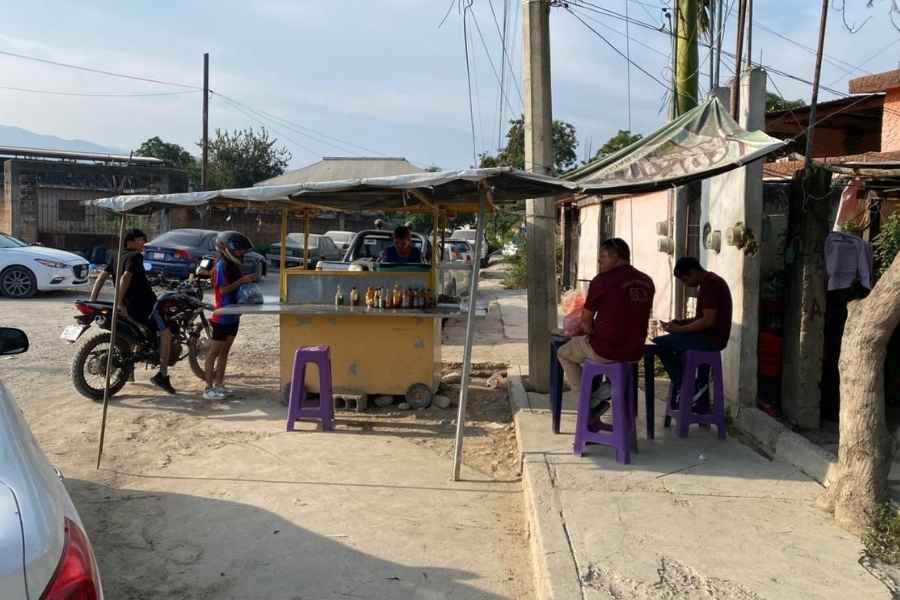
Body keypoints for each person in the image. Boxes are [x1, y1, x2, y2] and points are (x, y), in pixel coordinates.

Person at [557, 238, 654, 431]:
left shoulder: (603, 280)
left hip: (607, 349)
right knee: (598, 360)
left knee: (564, 353)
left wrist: (590, 332)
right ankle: (601, 395)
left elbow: (586, 322)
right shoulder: (647, 281)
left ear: (616, 256)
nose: (599, 261)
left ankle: (585, 405)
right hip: (635, 351)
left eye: (603, 256)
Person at [654, 257, 733, 413]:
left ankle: (687, 387)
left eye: (685, 280)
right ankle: (696, 393)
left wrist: (679, 330)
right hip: (705, 337)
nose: (686, 284)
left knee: (660, 343)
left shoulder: (712, 284)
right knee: (671, 346)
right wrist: (680, 323)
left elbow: (708, 321)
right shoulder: (707, 283)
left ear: (694, 272)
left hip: (711, 339)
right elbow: (701, 318)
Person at [101, 229, 176, 394]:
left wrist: (94, 299)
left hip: (129, 306)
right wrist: (118, 303)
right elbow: (125, 278)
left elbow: (102, 277)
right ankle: (162, 375)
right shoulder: (135, 256)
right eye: (141, 240)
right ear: (130, 241)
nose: (144, 243)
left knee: (137, 335)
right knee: (166, 333)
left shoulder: (115, 255)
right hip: (144, 306)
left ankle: (129, 373)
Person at [203, 231, 258, 401]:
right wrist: (242, 281)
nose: (241, 253)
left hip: (233, 316)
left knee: (225, 352)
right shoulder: (221, 266)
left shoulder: (233, 265)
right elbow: (222, 290)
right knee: (213, 353)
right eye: (239, 250)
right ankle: (208, 388)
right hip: (222, 316)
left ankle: (220, 385)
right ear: (227, 249)